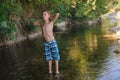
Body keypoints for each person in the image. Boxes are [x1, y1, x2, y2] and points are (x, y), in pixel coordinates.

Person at [33, 10, 60, 76]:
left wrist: (52, 15)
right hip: (46, 43)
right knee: (49, 58)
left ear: (48, 16)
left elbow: (57, 14)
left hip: (52, 42)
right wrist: (40, 19)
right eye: (42, 15)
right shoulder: (42, 25)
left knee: (56, 57)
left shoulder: (51, 23)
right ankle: (50, 72)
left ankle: (57, 72)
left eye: (45, 14)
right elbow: (34, 24)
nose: (43, 16)